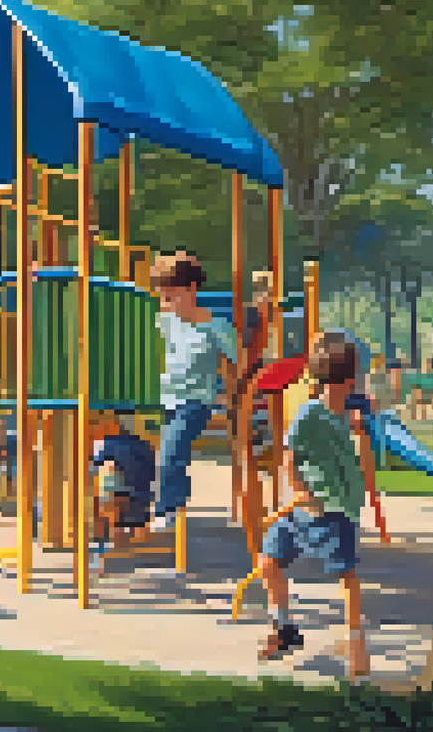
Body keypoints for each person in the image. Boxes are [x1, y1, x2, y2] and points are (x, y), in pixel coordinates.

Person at [253, 330, 373, 679]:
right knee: (269, 562)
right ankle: (284, 629)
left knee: (347, 576)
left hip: (337, 512)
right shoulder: (309, 414)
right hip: (304, 510)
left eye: (335, 385)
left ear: (348, 383)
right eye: (325, 385)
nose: (330, 392)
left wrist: (362, 435)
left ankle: (356, 643)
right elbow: (288, 459)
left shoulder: (349, 418)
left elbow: (364, 470)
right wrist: (302, 492)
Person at [149, 252, 238, 534]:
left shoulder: (216, 326)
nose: (166, 302)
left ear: (191, 290)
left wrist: (233, 398)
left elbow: (241, 363)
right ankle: (125, 509)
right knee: (125, 441)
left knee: (171, 448)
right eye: (163, 296)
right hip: (157, 399)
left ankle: (168, 509)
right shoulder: (161, 322)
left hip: (194, 400)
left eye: (171, 295)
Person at [89, 410, 157, 575]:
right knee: (130, 519)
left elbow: (95, 468)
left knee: (107, 484)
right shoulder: (144, 445)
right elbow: (152, 473)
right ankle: (127, 552)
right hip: (142, 496)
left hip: (119, 498)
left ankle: (107, 553)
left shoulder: (108, 444)